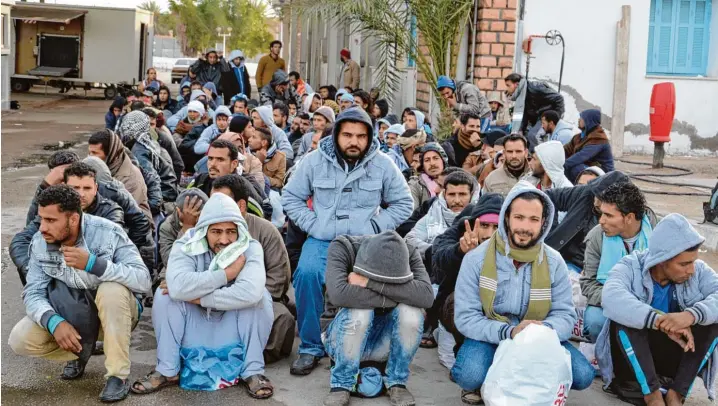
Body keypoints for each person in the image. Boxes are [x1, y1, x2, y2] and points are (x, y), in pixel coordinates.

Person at [281, 107, 413, 376]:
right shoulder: (314, 161)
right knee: (306, 275)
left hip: (365, 243)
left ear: (370, 137)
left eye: (361, 136)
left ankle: (357, 347)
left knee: (371, 287)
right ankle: (310, 347)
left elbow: (404, 203)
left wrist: (375, 226)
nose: (354, 141)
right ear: (337, 135)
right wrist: (313, 224)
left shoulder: (383, 163)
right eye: (348, 135)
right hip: (322, 240)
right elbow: (290, 197)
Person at [450, 182, 595, 404]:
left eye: (533, 220)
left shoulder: (554, 261)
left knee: (583, 375)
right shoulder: (476, 259)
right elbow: (466, 317)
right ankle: (490, 381)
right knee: (469, 375)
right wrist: (509, 332)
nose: (525, 227)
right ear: (507, 218)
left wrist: (539, 332)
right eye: (519, 218)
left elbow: (565, 315)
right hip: (493, 333)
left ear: (544, 223)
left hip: (537, 336)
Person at [9, 185, 151, 402]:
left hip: (116, 316)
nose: (42, 228)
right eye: (41, 219)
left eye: (51, 220)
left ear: (73, 219)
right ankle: (80, 351)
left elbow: (143, 280)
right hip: (74, 313)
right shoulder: (39, 242)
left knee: (111, 289)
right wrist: (53, 322)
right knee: (20, 339)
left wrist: (95, 264)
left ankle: (117, 375)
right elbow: (33, 293)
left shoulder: (108, 232)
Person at [131, 193, 275, 397]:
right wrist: (226, 275)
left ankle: (252, 371)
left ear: (239, 230)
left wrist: (198, 297)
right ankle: (167, 370)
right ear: (204, 230)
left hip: (231, 325)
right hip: (195, 325)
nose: (224, 240)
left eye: (230, 232)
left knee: (261, 298)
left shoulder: (250, 247)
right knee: (165, 297)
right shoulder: (186, 245)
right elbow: (178, 286)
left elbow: (250, 291)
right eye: (216, 231)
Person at [598, 214, 718, 406]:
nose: (691, 270)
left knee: (711, 322)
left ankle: (676, 394)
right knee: (625, 318)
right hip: (633, 363)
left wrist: (691, 316)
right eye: (684, 264)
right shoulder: (631, 265)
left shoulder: (699, 272)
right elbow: (611, 297)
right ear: (662, 260)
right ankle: (653, 396)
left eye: (693, 262)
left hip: (671, 361)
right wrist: (658, 321)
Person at [322, 231, 434, 406]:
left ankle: (397, 381)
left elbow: (426, 297)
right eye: (377, 279)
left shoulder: (408, 251)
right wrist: (401, 293)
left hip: (385, 338)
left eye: (392, 282)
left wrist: (369, 284)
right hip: (342, 337)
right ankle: (341, 383)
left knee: (412, 312)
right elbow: (339, 295)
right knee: (361, 310)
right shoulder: (343, 247)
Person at [580, 182, 656, 343]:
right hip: (608, 301)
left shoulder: (657, 234)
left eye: (609, 215)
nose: (601, 221)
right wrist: (619, 301)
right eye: (601, 214)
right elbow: (588, 283)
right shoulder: (597, 237)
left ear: (629, 217)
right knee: (594, 321)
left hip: (651, 299)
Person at [430, 193, 503, 355]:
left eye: (496, 227)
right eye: (484, 225)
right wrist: (460, 251)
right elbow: (438, 257)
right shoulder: (460, 231)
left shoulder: (511, 241)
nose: (489, 233)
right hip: (456, 306)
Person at [543, 171, 630, 273]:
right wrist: (550, 229)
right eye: (596, 194)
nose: (596, 201)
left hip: (587, 269)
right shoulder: (586, 193)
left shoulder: (622, 218)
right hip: (558, 255)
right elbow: (547, 198)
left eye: (603, 198)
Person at [87, 130, 158, 220]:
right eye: (89, 152)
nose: (90, 157)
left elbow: (129, 214)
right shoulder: (95, 169)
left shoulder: (130, 178)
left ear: (110, 154)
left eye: (94, 153)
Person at [119, 111, 178, 205]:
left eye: (126, 125)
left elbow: (151, 180)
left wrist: (151, 206)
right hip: (169, 192)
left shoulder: (139, 150)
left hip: (164, 196)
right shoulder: (148, 142)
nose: (123, 128)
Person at [504, 73, 565, 137]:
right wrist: (520, 130)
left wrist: (556, 119)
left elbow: (559, 98)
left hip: (547, 117)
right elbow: (524, 114)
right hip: (537, 119)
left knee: (534, 135)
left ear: (516, 84)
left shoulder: (535, 88)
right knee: (525, 135)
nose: (507, 89)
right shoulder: (521, 95)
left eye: (508, 85)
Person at [564, 109, 615, 182]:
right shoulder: (579, 137)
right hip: (591, 167)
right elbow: (566, 149)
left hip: (605, 174)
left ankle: (578, 190)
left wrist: (562, 165)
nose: (579, 120)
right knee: (571, 166)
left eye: (582, 118)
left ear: (589, 121)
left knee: (576, 168)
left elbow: (581, 156)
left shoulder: (598, 138)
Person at [408, 143, 448, 210]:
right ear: (422, 166)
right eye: (427, 160)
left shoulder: (455, 179)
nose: (432, 163)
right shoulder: (415, 185)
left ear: (443, 160)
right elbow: (412, 215)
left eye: (436, 158)